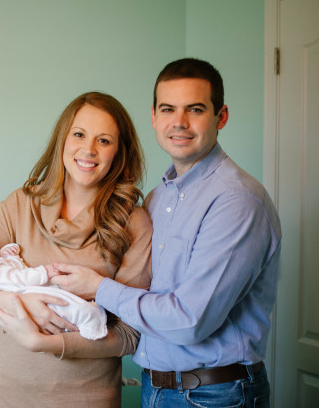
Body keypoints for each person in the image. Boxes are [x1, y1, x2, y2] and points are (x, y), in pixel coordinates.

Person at [41, 58, 281, 407]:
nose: (179, 123)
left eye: (195, 109)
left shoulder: (236, 201)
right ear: (154, 116)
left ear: (221, 116)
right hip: (155, 389)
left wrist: (99, 288)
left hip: (215, 394)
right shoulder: (157, 199)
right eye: (168, 109)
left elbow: (190, 322)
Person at [0, 91, 152, 407]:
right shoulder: (20, 204)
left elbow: (129, 335)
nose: (88, 149)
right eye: (79, 134)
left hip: (86, 398)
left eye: (104, 140)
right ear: (63, 140)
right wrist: (17, 300)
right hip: (5, 393)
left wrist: (48, 342)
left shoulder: (133, 223)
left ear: (119, 152)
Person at [0, 233, 109, 340]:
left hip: (28, 302)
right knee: (67, 306)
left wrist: (6, 256)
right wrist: (44, 272)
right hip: (31, 294)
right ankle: (93, 324)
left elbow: (8, 274)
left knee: (65, 306)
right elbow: (19, 278)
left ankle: (89, 318)